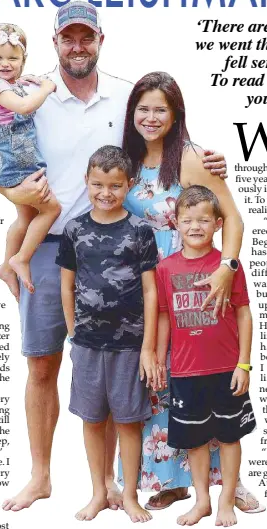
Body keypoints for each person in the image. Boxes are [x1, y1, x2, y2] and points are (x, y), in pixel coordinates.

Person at [0, 1, 229, 513]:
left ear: (100, 41)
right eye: (67, 38)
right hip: (52, 246)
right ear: (53, 43)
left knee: (132, 367)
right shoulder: (26, 92)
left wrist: (210, 161)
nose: (77, 46)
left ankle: (123, 483)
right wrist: (14, 198)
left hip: (124, 250)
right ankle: (41, 476)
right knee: (42, 363)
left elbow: (164, 135)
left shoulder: (124, 96)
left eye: (86, 38)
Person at [119, 71, 263, 514]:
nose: (150, 117)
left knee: (210, 375)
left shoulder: (193, 158)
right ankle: (175, 480)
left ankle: (229, 483)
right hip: (147, 282)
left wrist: (227, 268)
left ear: (176, 112)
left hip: (197, 280)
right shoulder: (126, 160)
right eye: (142, 108)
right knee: (163, 377)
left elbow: (233, 219)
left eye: (160, 108)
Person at [57, 145, 159, 522]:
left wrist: (148, 343)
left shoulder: (140, 230)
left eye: (115, 185)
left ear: (129, 185)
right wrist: (72, 332)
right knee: (92, 419)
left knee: (129, 421)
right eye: (97, 184)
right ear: (86, 181)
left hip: (130, 345)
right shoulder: (74, 229)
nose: (105, 192)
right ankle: (99, 492)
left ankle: (130, 494)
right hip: (86, 344)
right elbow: (67, 285)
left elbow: (151, 290)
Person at [156, 185, 256, 526]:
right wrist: (159, 358)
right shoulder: (166, 268)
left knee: (230, 438)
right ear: (175, 224)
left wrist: (244, 364)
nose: (195, 226)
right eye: (187, 220)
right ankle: (202, 501)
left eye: (203, 220)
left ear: (217, 224)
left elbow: (243, 312)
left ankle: (226, 501)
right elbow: (164, 315)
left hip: (227, 369)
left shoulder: (228, 266)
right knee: (195, 441)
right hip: (185, 372)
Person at [0, 23, 60, 296]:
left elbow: (20, 96)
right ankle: (21, 258)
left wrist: (30, 82)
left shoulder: (8, 85)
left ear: (23, 61)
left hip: (14, 160)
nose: (5, 63)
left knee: (25, 217)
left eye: (13, 58)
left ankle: (5, 266)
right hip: (17, 166)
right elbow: (24, 106)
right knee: (51, 210)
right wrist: (47, 87)